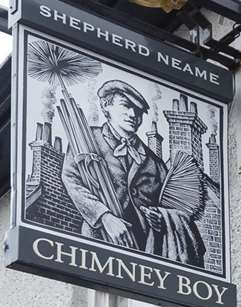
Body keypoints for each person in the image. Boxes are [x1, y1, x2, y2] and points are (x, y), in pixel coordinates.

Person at [61, 80, 207, 266]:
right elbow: (71, 178)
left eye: (138, 112)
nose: (133, 115)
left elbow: (170, 207)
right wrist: (104, 216)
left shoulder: (154, 161)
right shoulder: (86, 139)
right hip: (98, 243)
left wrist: (160, 216)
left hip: (143, 249)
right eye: (126, 106)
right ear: (106, 107)